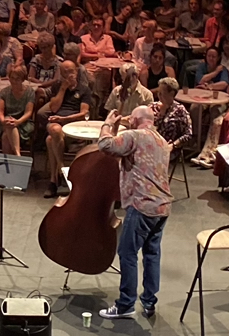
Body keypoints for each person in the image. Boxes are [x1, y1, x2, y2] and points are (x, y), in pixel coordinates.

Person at [97, 105, 171, 319]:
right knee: (151, 254)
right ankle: (148, 303)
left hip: (142, 205)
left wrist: (108, 124)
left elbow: (105, 145)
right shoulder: (162, 141)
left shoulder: (134, 135)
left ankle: (125, 304)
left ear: (137, 119)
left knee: (127, 253)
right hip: (162, 206)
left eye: (131, 118)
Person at [42, 60, 93, 197]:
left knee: (49, 140)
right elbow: (54, 108)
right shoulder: (57, 86)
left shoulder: (84, 89)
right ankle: (62, 169)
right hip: (56, 123)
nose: (69, 75)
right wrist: (63, 89)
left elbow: (84, 114)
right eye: (65, 72)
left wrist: (63, 120)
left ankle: (54, 180)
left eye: (71, 71)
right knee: (55, 131)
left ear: (76, 72)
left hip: (73, 125)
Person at [0, 64, 35, 155]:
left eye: (17, 79)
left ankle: (10, 164)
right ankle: (18, 155)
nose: (14, 81)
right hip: (7, 122)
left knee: (6, 136)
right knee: (8, 122)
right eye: (12, 78)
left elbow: (29, 112)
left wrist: (18, 121)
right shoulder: (4, 92)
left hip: (23, 122)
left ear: (23, 79)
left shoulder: (29, 92)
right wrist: (3, 121)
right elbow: (0, 111)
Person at [151, 76, 194, 152]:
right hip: (150, 145)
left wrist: (173, 145)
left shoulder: (180, 110)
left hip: (168, 148)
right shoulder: (153, 107)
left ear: (171, 93)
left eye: (162, 93)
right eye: (158, 93)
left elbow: (188, 134)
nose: (159, 95)